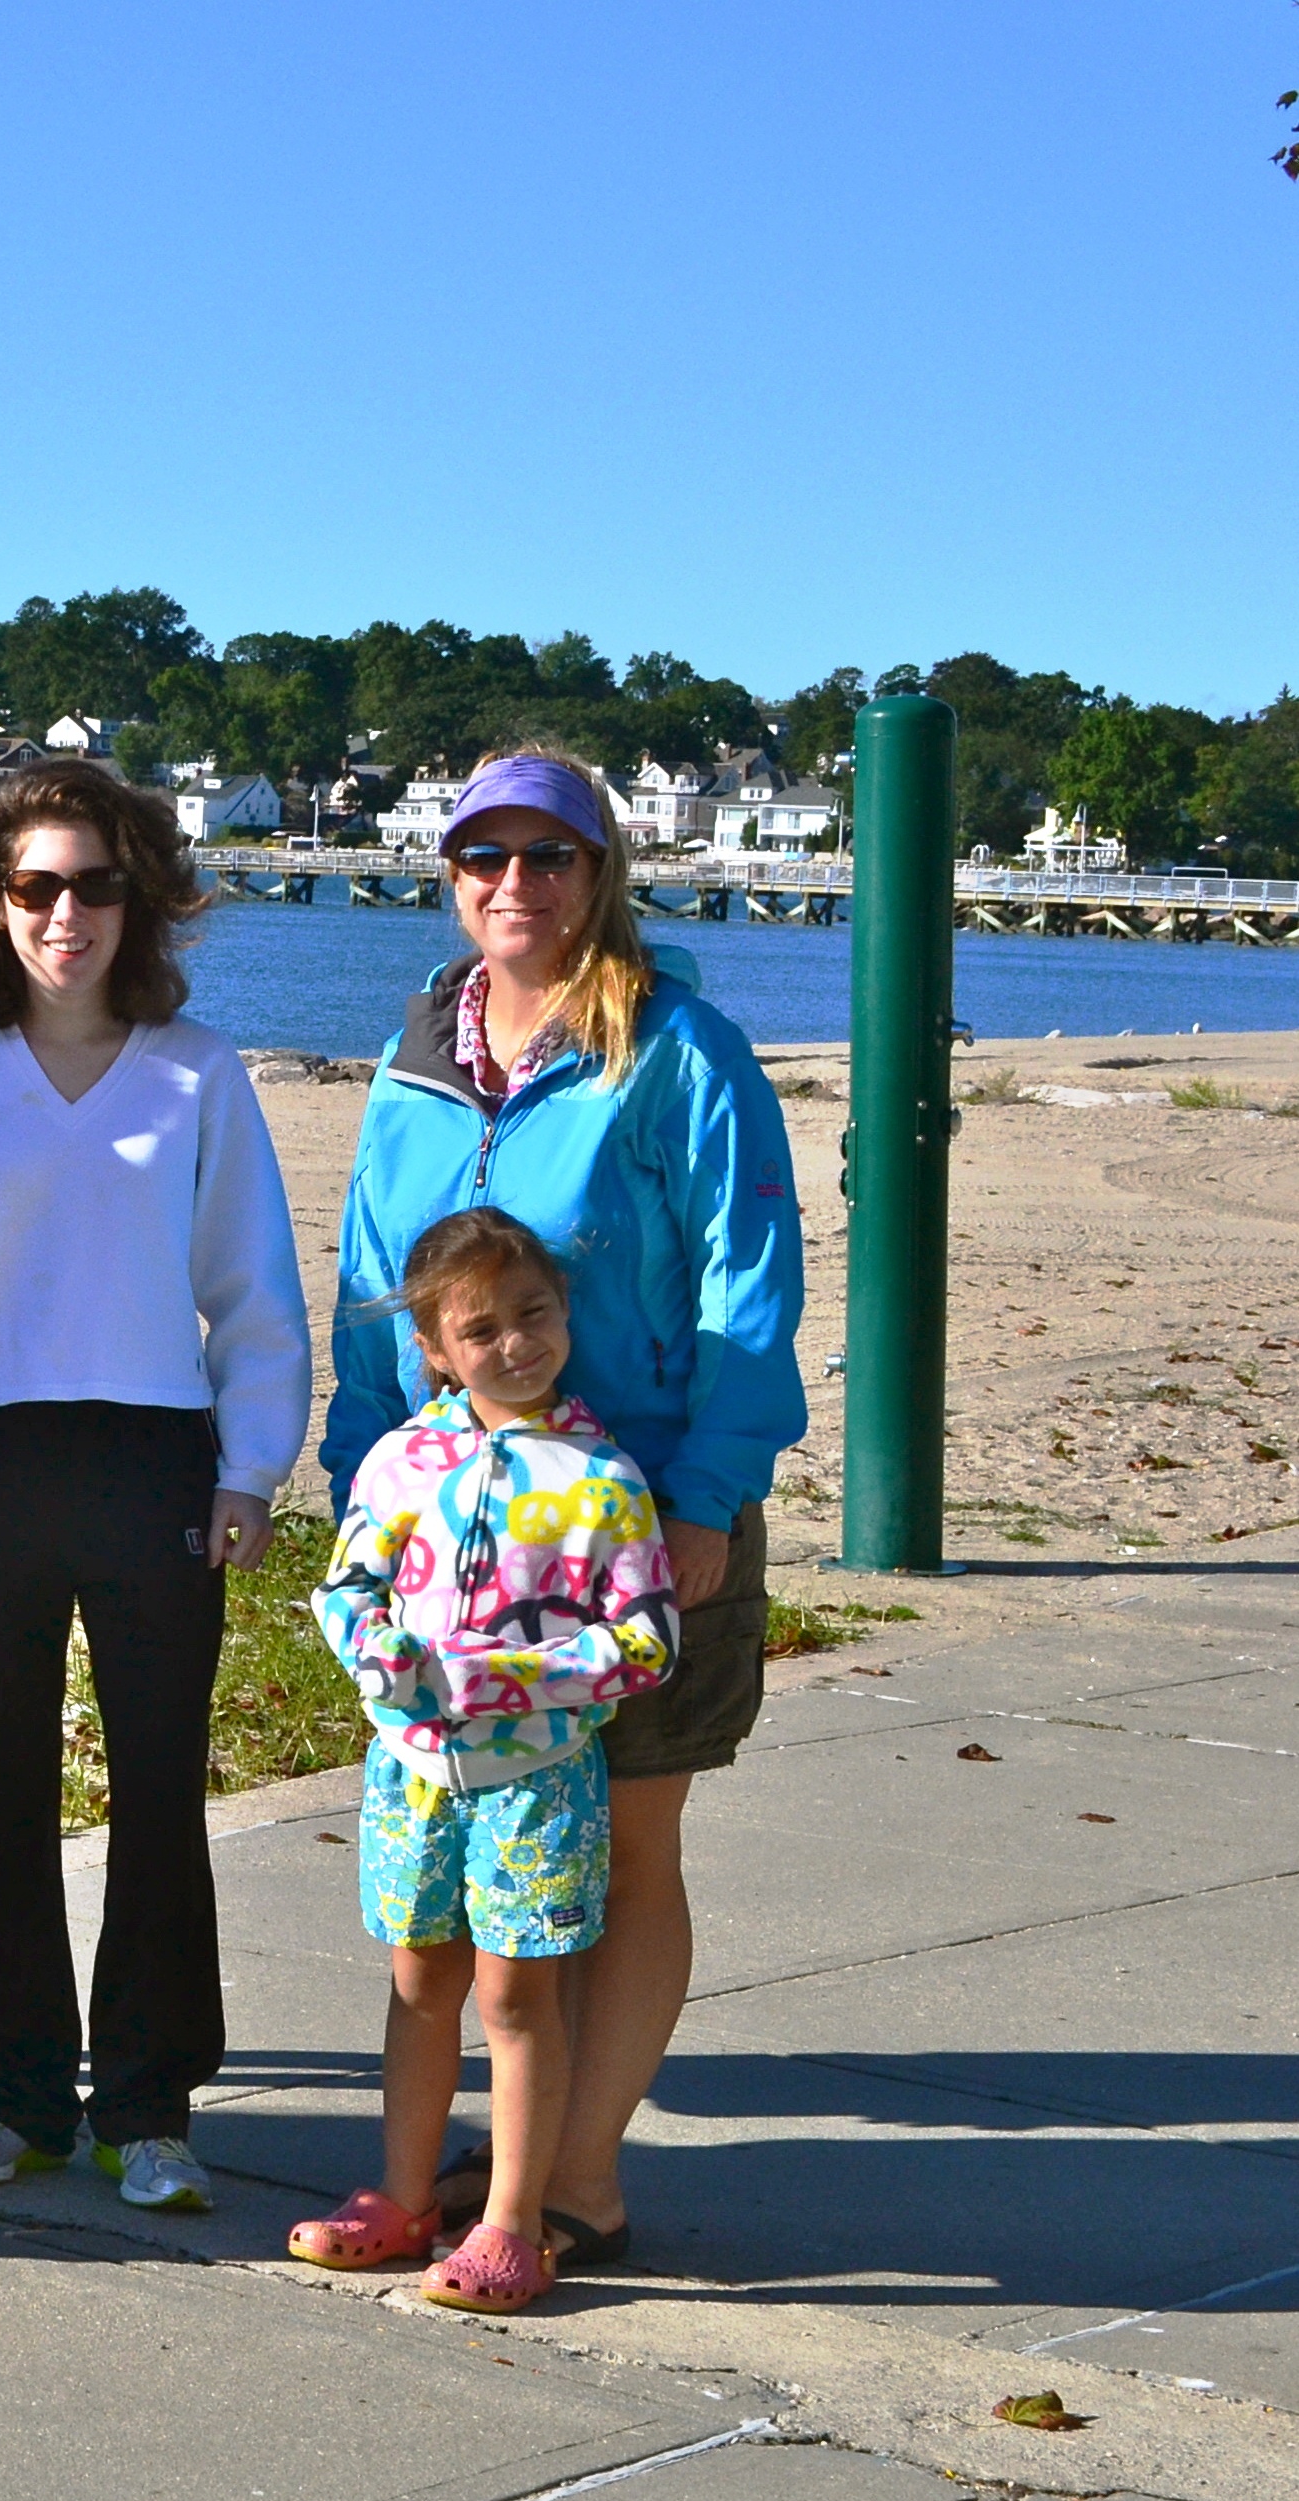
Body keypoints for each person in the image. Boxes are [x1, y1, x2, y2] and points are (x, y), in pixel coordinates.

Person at [321, 744, 804, 2269]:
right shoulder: (410, 1060)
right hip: (453, 1546)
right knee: (486, 1879)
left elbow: (748, 1287)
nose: (513, 883)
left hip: (636, 1519)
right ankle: (510, 2155)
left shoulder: (678, 1051)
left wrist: (709, 1488)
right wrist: (359, 1487)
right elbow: (366, 1295)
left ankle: (576, 2172)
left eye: (548, 855)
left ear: (600, 874)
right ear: (449, 874)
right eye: (484, 856)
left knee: (628, 1844)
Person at [0, 758, 310, 2215]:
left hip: (150, 1459)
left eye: (95, 884)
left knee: (160, 1785)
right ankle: (24, 2087)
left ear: (139, 899)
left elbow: (250, 1289)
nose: (65, 913)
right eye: (34, 884)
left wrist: (250, 1464)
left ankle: (151, 2099)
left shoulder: (198, 1070)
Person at [294, 1207, 675, 2316]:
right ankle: (403, 2195)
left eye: (533, 1314)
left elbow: (644, 1638)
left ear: (563, 1314)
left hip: (537, 1779)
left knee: (517, 1995)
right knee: (420, 1982)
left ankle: (510, 2219)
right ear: (431, 1349)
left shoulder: (601, 1476)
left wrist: (502, 1678)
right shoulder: (400, 1459)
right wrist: (380, 1662)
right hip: (409, 1772)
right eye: (480, 1328)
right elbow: (345, 1589)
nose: (514, 1342)